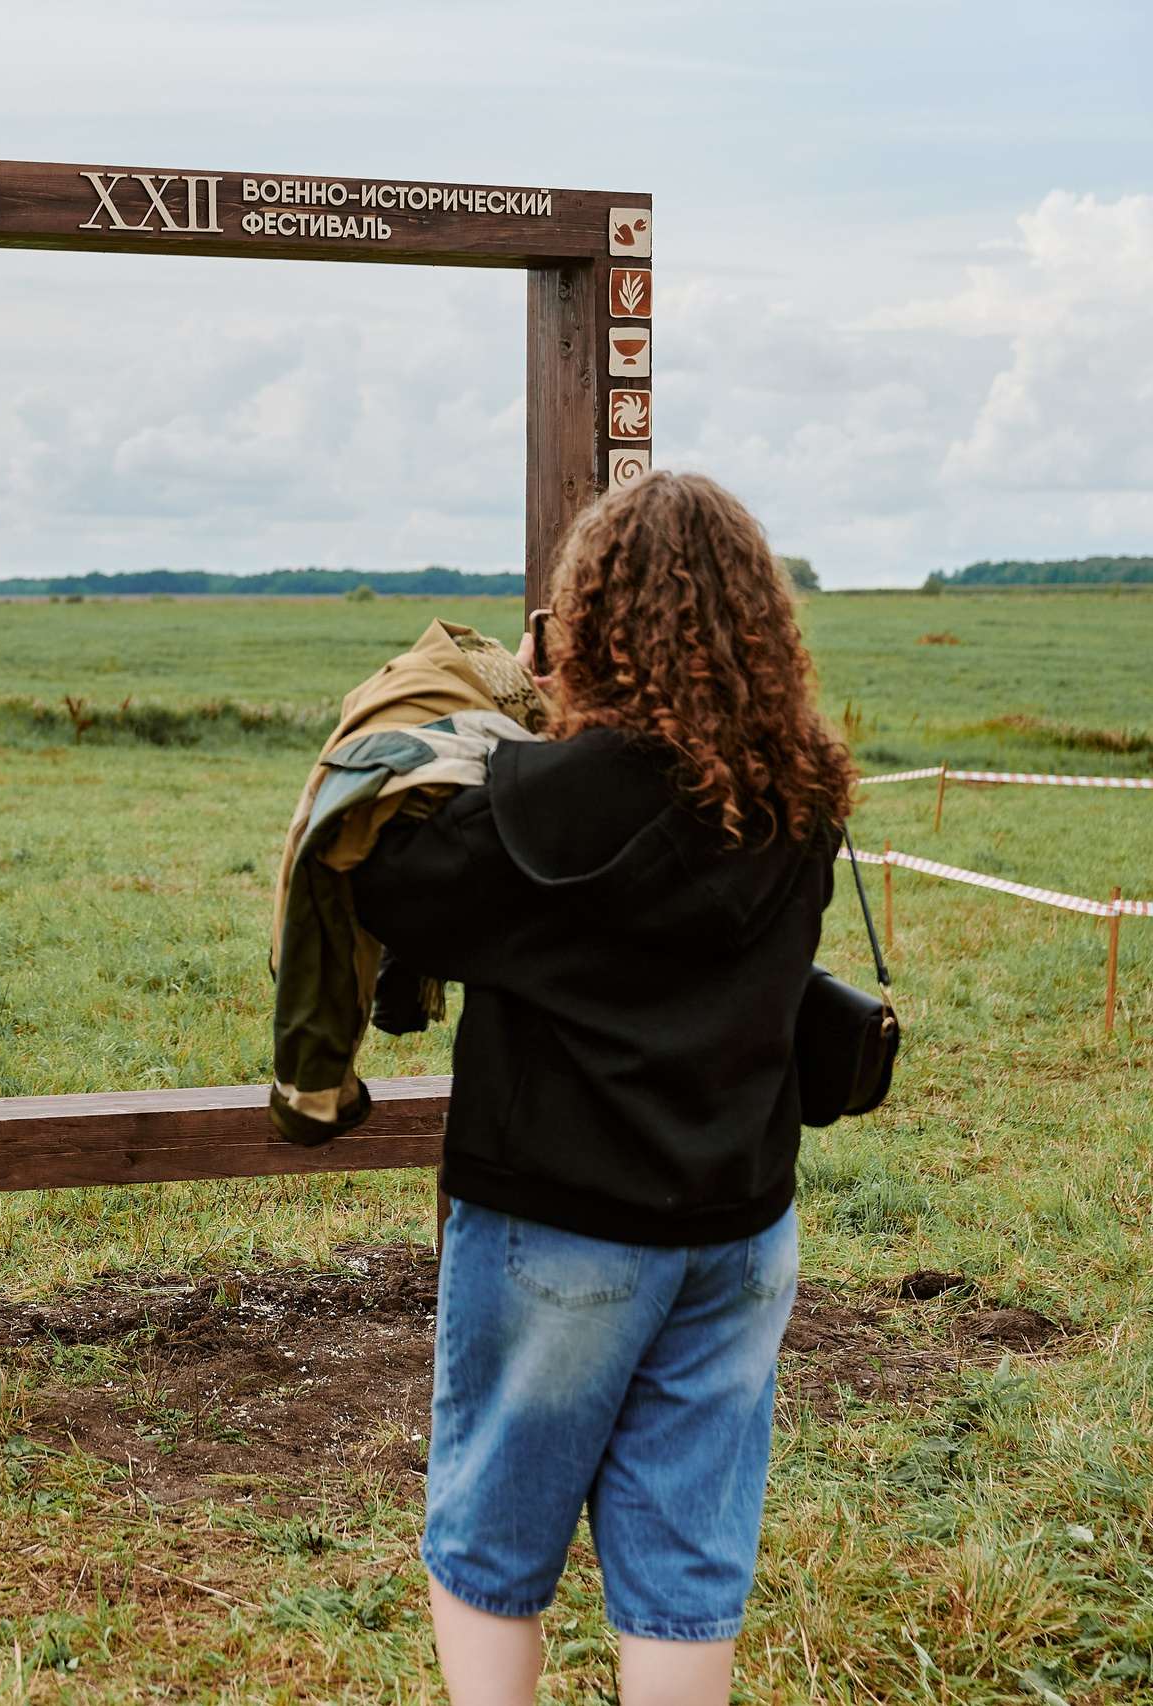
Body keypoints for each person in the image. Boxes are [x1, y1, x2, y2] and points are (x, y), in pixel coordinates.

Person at [349, 472, 853, 1706]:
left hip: (558, 1223)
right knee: (685, 1569)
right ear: (760, 627)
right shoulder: (800, 793)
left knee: (490, 1551)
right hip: (740, 1226)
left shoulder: (539, 799)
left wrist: (513, 705)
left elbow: (387, 882)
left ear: (584, 625)